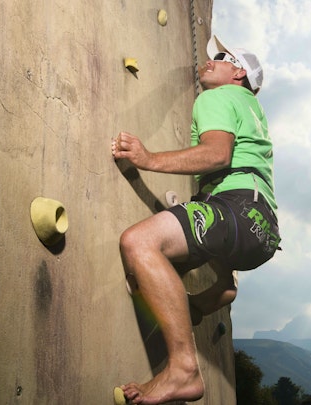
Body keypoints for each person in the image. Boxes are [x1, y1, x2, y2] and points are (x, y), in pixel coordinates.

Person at [111, 35, 280, 404]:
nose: (210, 60)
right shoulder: (252, 109)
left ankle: (184, 369)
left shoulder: (218, 97)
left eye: (221, 56)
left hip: (235, 208)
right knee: (192, 244)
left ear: (238, 73)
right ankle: (216, 291)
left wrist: (147, 159)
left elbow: (217, 155)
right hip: (260, 229)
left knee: (140, 243)